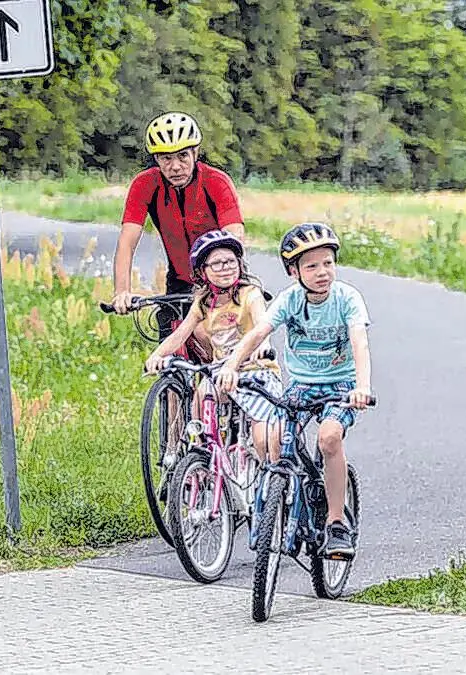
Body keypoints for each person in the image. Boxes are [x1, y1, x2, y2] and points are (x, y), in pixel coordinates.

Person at [217, 222, 373, 560]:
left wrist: (362, 387)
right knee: (274, 440)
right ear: (294, 271)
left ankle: (335, 523)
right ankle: (279, 500)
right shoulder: (290, 300)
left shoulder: (347, 298)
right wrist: (231, 366)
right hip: (302, 385)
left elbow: (359, 341)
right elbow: (258, 333)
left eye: (328, 263)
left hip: (342, 386)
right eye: (311, 265)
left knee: (329, 438)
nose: (322, 272)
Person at [144, 230, 283, 465]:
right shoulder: (203, 303)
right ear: (202, 272)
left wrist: (264, 345)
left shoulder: (250, 294)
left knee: (265, 441)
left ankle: (270, 484)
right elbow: (180, 334)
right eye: (216, 264)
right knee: (202, 395)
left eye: (230, 261)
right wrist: (157, 355)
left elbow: (262, 324)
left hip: (255, 370)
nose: (225, 268)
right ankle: (203, 453)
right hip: (222, 373)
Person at [111, 111, 246, 353]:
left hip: (222, 277)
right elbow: (127, 242)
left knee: (211, 344)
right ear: (156, 159)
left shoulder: (216, 182)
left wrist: (222, 280)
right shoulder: (145, 185)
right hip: (180, 280)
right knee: (168, 356)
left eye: (183, 156)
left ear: (196, 152)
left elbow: (234, 236)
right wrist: (122, 291)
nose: (175, 167)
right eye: (165, 158)